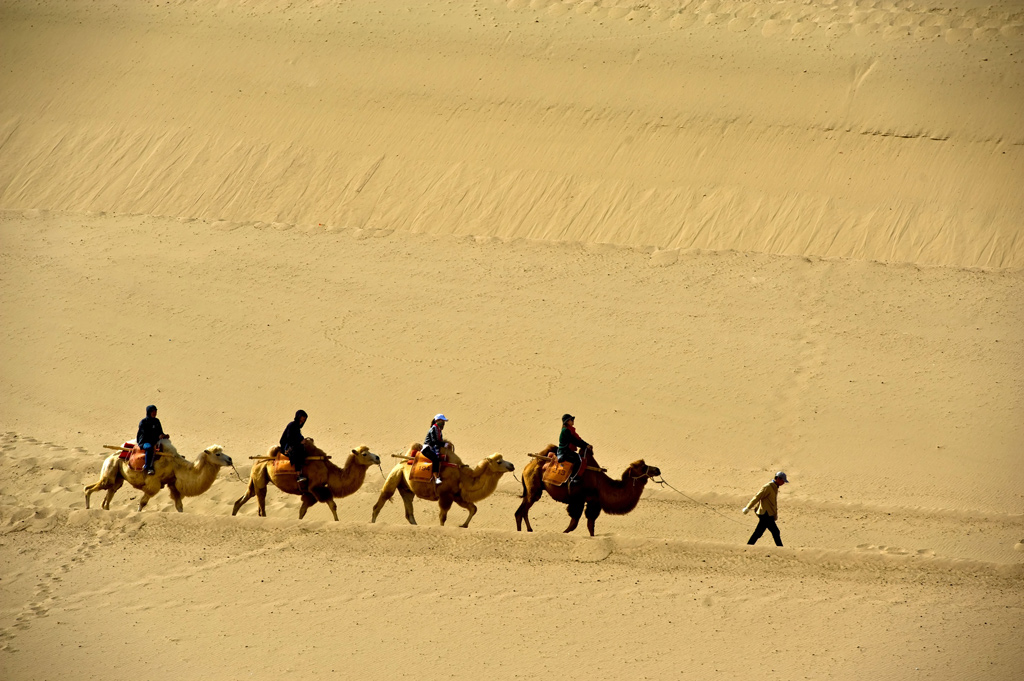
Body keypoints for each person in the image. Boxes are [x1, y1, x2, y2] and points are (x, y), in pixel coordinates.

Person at [743, 471, 788, 546]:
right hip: (765, 514)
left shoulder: (774, 487)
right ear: (778, 479)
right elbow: (757, 497)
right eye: (783, 481)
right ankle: (780, 548)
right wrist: (748, 507)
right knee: (775, 532)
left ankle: (749, 546)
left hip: (768, 513)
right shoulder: (768, 487)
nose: (783, 483)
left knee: (759, 532)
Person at [556, 414, 590, 484]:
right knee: (578, 460)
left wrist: (586, 445)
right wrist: (585, 446)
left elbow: (578, 440)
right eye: (571, 420)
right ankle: (572, 478)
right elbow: (574, 441)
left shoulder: (570, 430)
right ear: (568, 421)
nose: (573, 421)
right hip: (564, 452)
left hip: (567, 451)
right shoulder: (566, 431)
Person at [280, 410, 309, 488]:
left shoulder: (297, 428)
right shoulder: (292, 425)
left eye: (305, 418)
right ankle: (298, 475)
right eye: (303, 417)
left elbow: (298, 437)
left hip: (294, 444)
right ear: (298, 417)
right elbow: (289, 438)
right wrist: (300, 442)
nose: (304, 419)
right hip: (287, 446)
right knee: (298, 452)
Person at [137, 404, 166, 475]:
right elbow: (145, 435)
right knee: (149, 448)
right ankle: (148, 467)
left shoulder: (157, 421)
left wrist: (164, 435)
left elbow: (160, 432)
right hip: (145, 441)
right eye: (153, 411)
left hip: (155, 440)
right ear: (149, 412)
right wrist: (157, 437)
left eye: (155, 411)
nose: (154, 413)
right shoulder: (143, 422)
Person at [421, 414, 448, 485]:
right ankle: (436, 478)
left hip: (434, 448)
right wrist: (444, 445)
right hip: (427, 448)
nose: (443, 423)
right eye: (442, 421)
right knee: (435, 459)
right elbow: (434, 441)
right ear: (437, 420)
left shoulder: (439, 430)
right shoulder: (433, 429)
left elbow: (440, 441)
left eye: (444, 421)